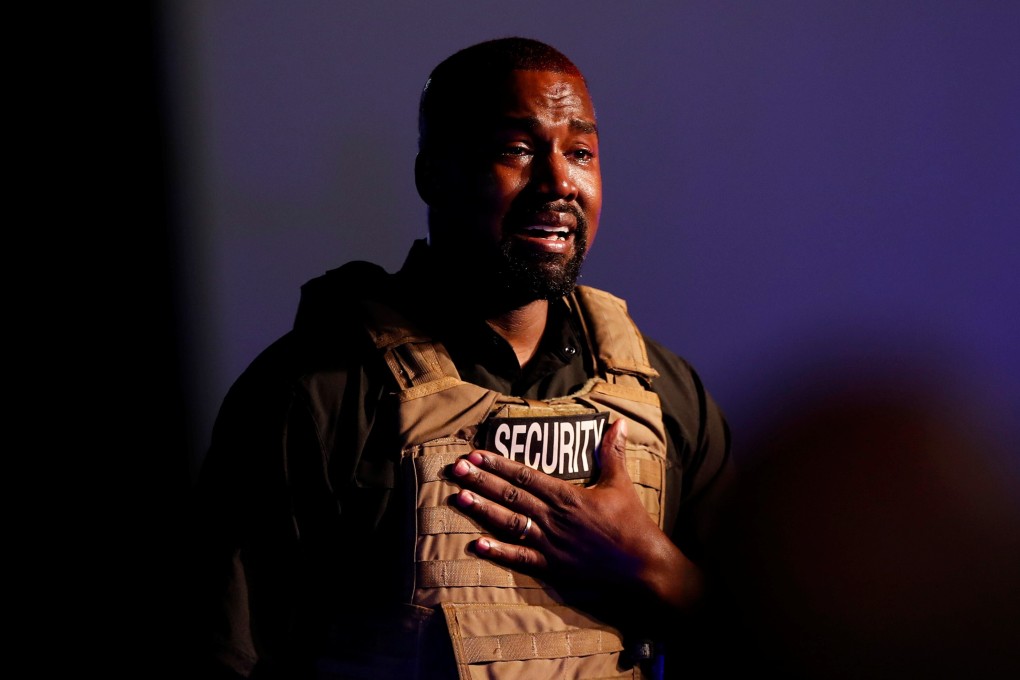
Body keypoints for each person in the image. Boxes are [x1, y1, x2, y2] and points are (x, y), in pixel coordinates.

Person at [187, 36, 733, 679]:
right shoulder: (316, 395)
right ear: (432, 175)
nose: (560, 180)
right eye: (517, 150)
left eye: (580, 152)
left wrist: (655, 569)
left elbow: (781, 639)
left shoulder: (665, 394)